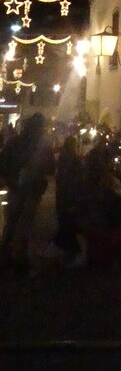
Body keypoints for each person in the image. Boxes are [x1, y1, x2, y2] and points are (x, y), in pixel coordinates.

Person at [0, 113, 55, 272]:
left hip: (18, 187)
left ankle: (6, 255)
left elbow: (3, 162)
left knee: (12, 223)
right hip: (30, 189)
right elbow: (51, 168)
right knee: (24, 224)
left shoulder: (14, 143)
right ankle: (19, 257)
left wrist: (10, 178)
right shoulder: (42, 145)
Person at [81, 139, 121, 266]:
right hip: (102, 206)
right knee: (102, 230)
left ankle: (97, 257)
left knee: (97, 231)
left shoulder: (94, 171)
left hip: (98, 205)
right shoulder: (101, 174)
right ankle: (102, 257)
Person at [53, 135, 85, 266]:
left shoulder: (64, 157)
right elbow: (72, 177)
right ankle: (71, 252)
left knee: (65, 224)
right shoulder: (71, 158)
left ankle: (63, 250)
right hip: (68, 195)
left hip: (63, 195)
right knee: (67, 224)